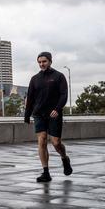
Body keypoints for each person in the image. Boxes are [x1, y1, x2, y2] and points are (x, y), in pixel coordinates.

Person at [24, 51, 72, 182]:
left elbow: (63, 95)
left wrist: (58, 108)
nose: (41, 64)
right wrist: (27, 115)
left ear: (50, 61)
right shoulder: (34, 79)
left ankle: (64, 158)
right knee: (42, 140)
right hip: (39, 113)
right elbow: (30, 98)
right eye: (39, 62)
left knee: (56, 143)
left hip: (54, 114)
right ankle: (46, 172)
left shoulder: (59, 76)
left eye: (44, 61)